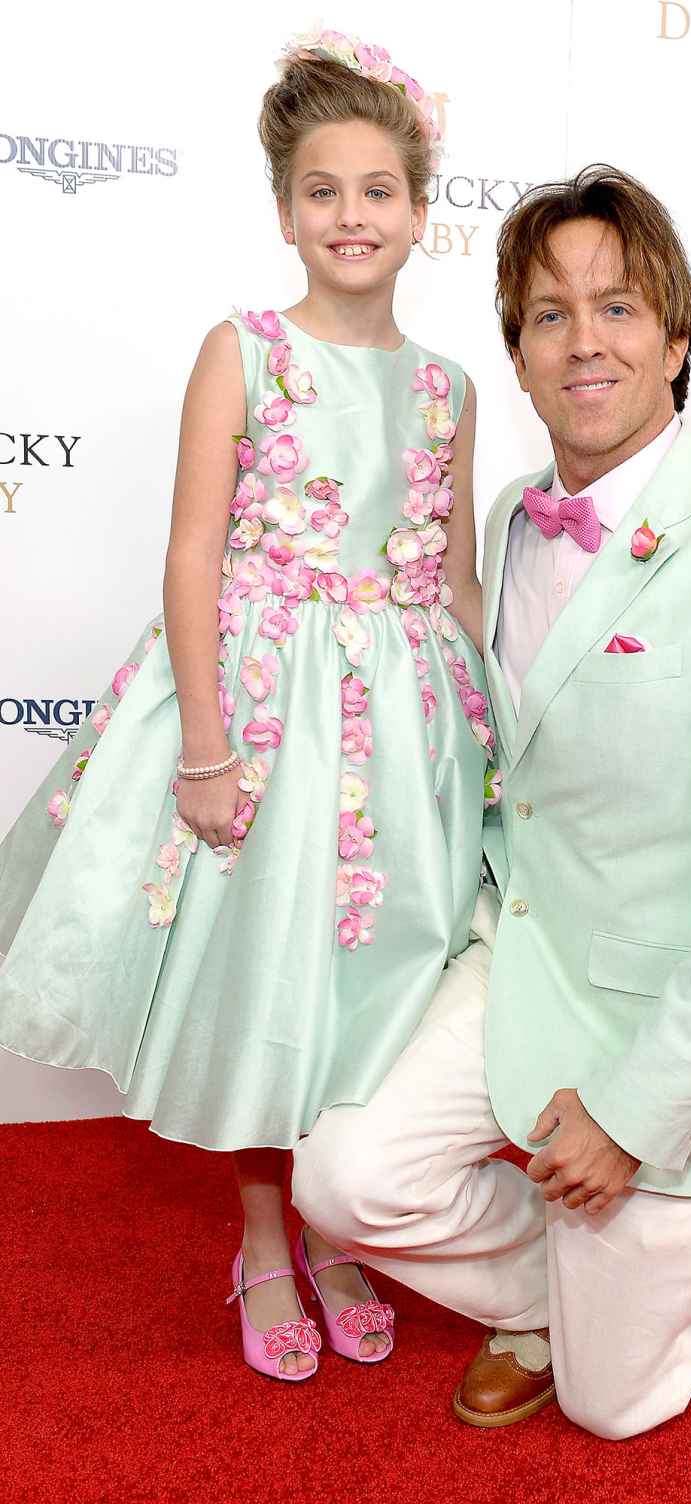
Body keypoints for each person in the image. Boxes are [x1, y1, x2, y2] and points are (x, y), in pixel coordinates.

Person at [292, 165, 691, 1437]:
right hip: (528, 944)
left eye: (616, 307)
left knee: (615, 1408)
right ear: (519, 352)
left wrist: (631, 1112)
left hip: (663, 993)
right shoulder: (505, 517)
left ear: (676, 338)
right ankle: (554, 1288)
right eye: (549, 314)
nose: (583, 340)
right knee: (345, 1179)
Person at [0, 28, 493, 1383]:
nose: (352, 215)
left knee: (374, 987)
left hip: (404, 737)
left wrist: (493, 752)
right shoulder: (247, 350)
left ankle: (343, 1220)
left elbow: (451, 583)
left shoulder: (449, 389)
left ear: (418, 210)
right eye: (324, 191)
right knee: (264, 981)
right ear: (285, 210)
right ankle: (266, 1233)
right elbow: (192, 554)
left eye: (378, 190)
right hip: (270, 721)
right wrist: (207, 747)